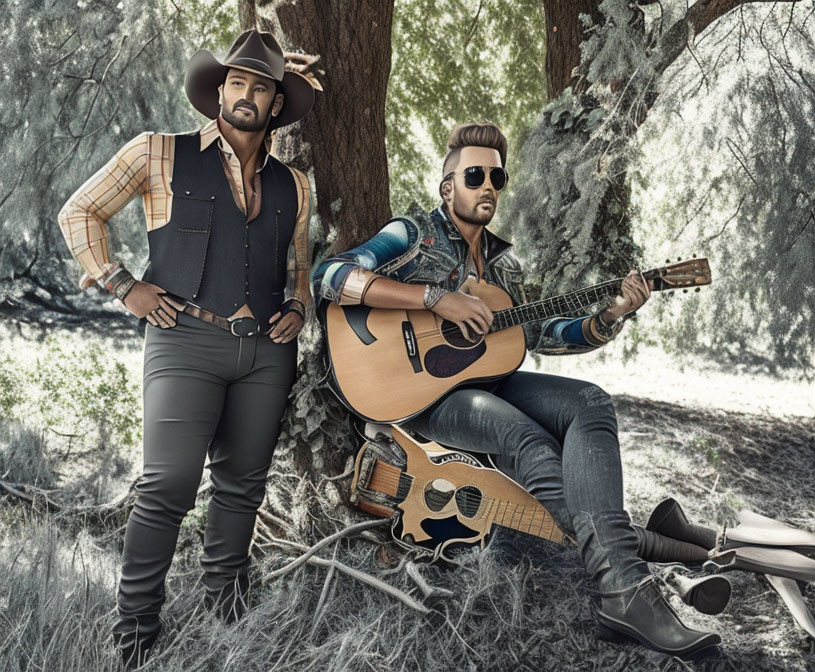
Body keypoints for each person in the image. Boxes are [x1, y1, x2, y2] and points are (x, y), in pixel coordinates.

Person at [312, 122, 721, 657]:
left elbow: (544, 334)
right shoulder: (411, 235)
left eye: (496, 177)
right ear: (447, 186)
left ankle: (625, 576)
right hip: (422, 394)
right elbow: (330, 275)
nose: (487, 186)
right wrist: (435, 299)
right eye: (474, 174)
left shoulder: (506, 268)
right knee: (526, 438)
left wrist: (613, 314)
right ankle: (628, 583)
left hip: (488, 381)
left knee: (590, 402)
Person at [56, 30, 322, 669]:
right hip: (183, 340)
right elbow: (79, 213)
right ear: (219, 90)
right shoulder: (158, 153)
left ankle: (225, 608)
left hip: (264, 353)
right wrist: (124, 285)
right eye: (237, 81)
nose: (246, 94)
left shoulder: (297, 184)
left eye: (261, 85)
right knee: (168, 483)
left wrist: (297, 306)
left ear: (276, 104)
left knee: (243, 486)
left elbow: (300, 265)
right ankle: (136, 633)